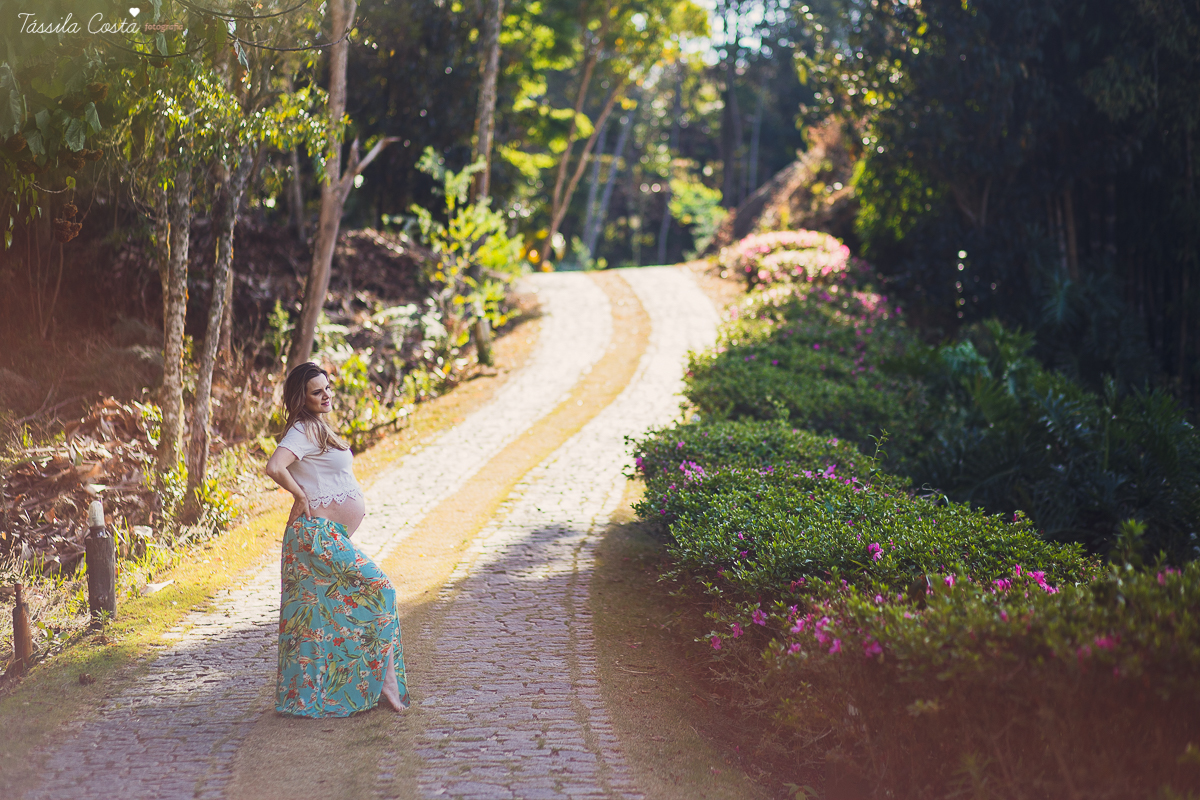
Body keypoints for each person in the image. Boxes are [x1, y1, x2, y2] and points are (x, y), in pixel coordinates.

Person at [264, 361, 409, 717]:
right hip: (314, 536)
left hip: (323, 535)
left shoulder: (317, 427)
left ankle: (316, 694)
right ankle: (384, 683)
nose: (326, 395)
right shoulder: (302, 429)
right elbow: (274, 466)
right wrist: (300, 496)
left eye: (328, 388)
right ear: (302, 397)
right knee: (379, 588)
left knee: (315, 619)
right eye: (317, 391)